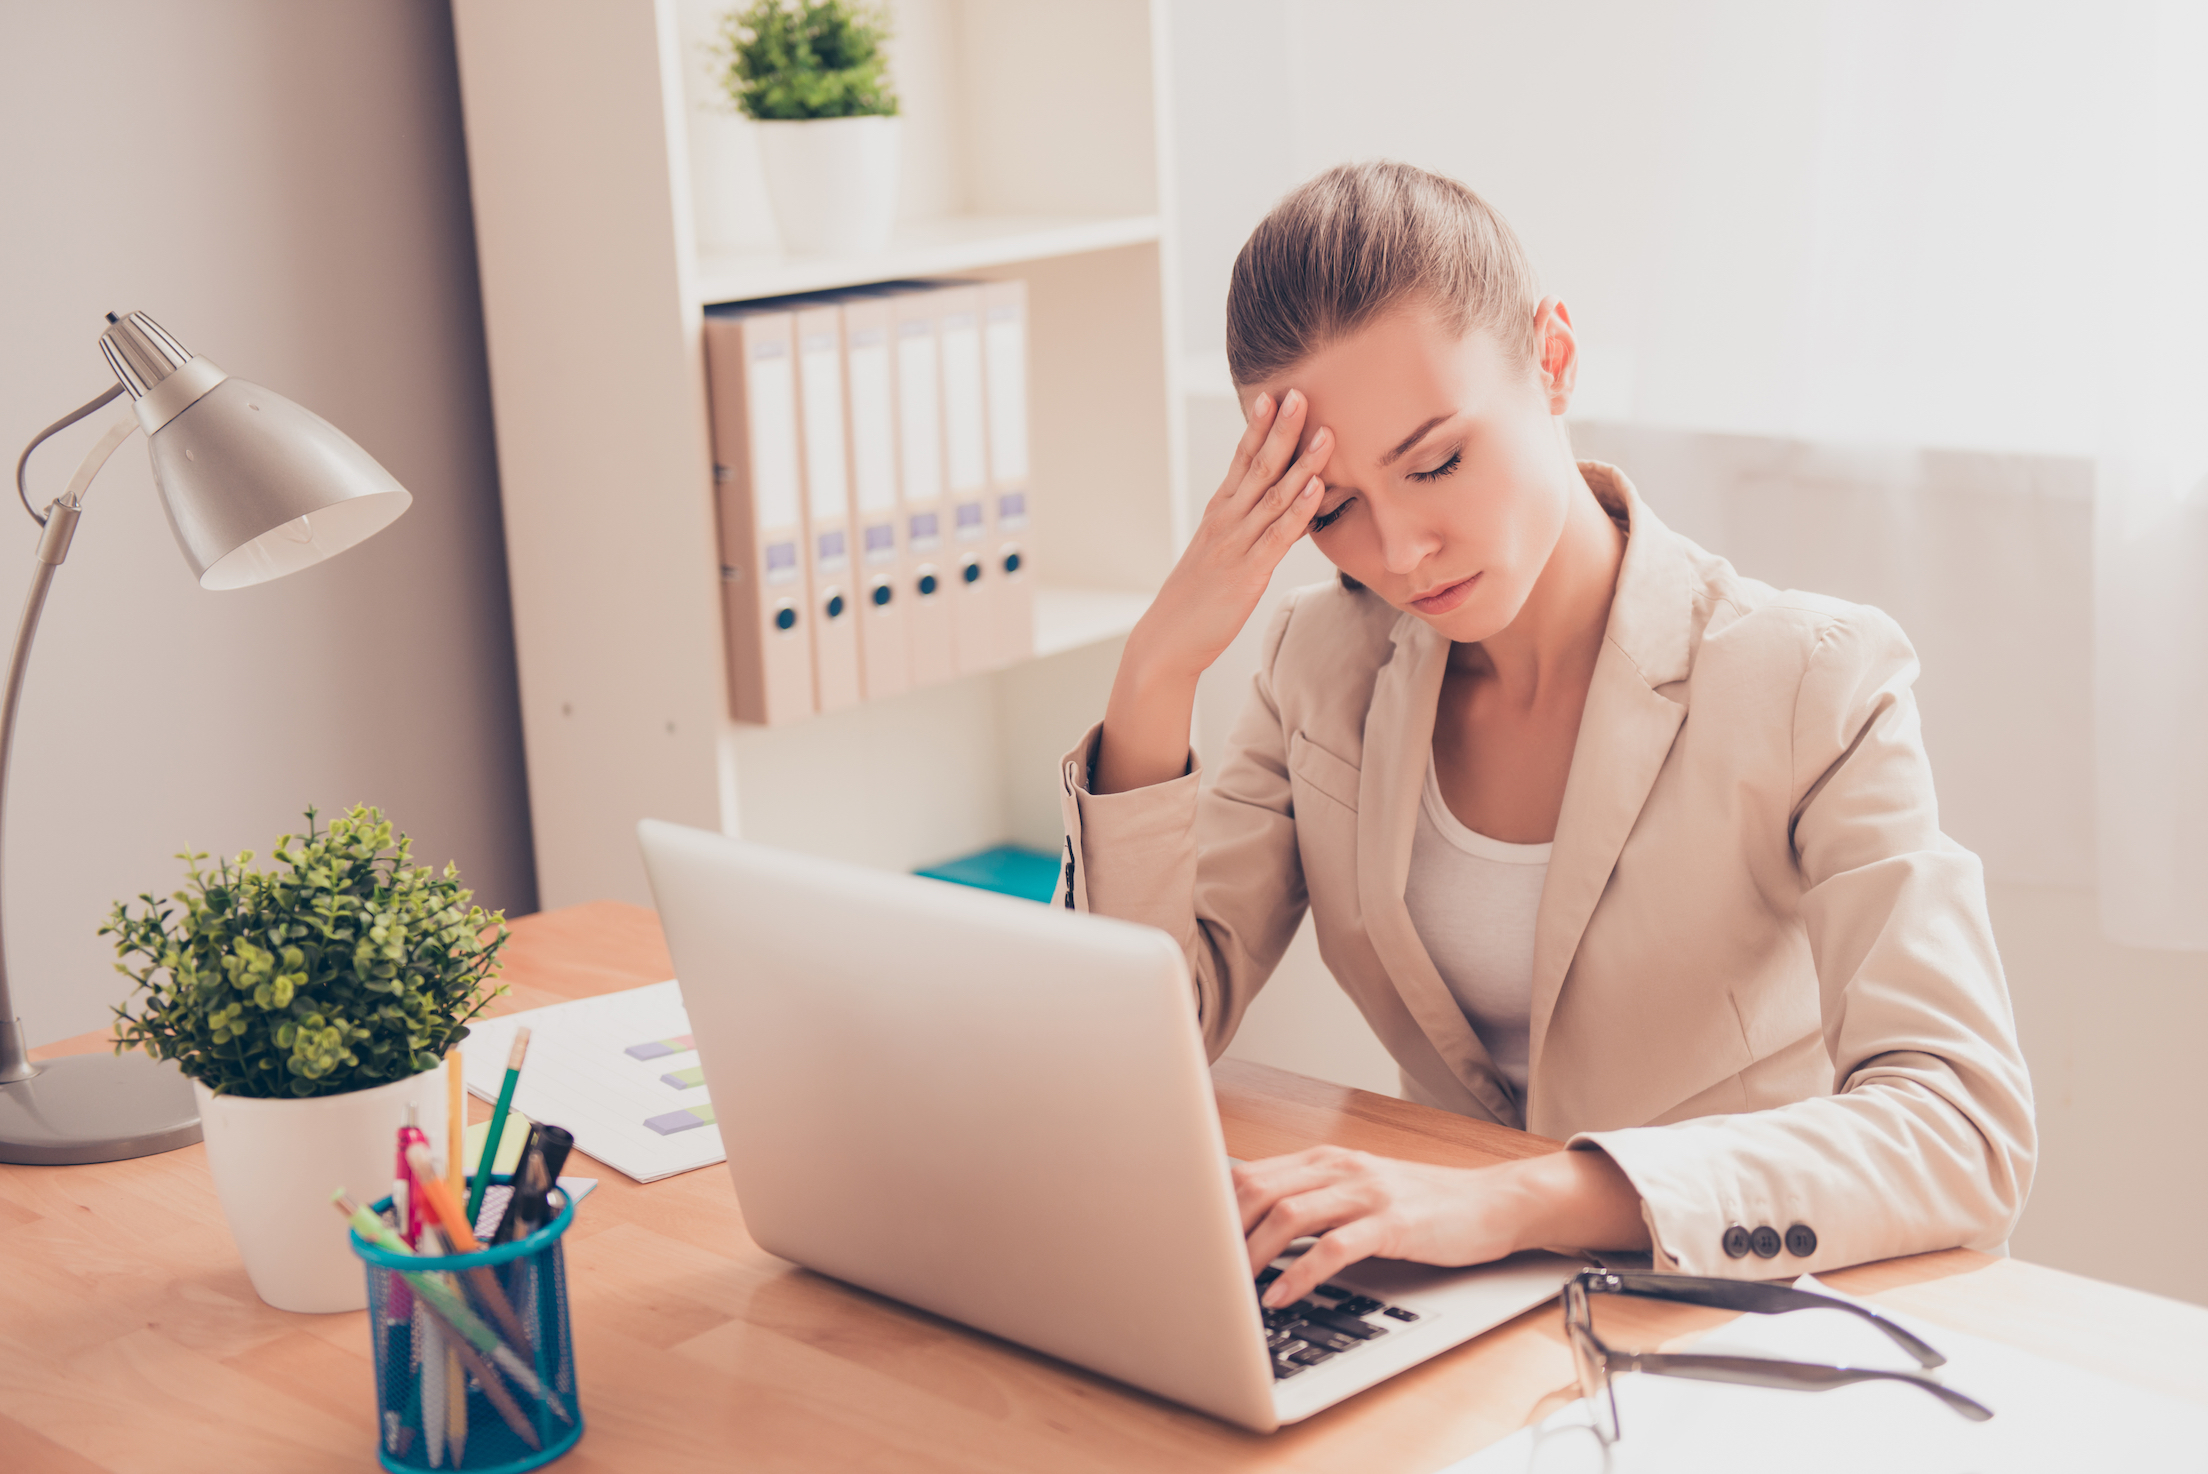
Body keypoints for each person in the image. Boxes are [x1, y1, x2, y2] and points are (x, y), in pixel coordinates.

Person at [1056, 161, 2035, 1309]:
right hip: (1456, 1306)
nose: (1402, 548)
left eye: (1435, 462)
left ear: (1554, 359)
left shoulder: (1812, 679)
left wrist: (1516, 1200)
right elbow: (1143, 1037)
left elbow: (1963, 1126)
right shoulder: (1319, 664)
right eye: (1331, 509)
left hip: (1732, 1309)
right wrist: (1159, 668)